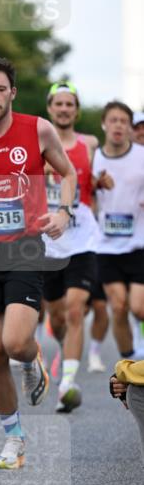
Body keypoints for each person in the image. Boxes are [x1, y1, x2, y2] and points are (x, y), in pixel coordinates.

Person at [0, 56, 77, 469]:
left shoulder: (37, 129)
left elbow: (67, 174)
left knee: (13, 342)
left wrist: (63, 212)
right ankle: (14, 439)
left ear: (12, 93)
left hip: (25, 247)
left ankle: (31, 356)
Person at [41, 81, 112, 412]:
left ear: (77, 111)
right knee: (55, 315)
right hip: (48, 240)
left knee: (74, 310)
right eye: (59, 104)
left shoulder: (90, 144)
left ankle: (67, 383)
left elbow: (98, 178)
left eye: (70, 104)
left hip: (82, 237)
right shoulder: (36, 142)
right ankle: (65, 349)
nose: (65, 109)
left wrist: (101, 182)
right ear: (50, 108)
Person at [92, 101, 144, 360]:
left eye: (124, 121)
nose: (118, 125)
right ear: (104, 124)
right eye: (113, 120)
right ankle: (130, 362)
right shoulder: (94, 158)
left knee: (139, 307)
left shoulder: (141, 156)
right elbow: (82, 197)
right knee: (119, 306)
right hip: (106, 245)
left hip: (138, 244)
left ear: (129, 127)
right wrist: (94, 185)